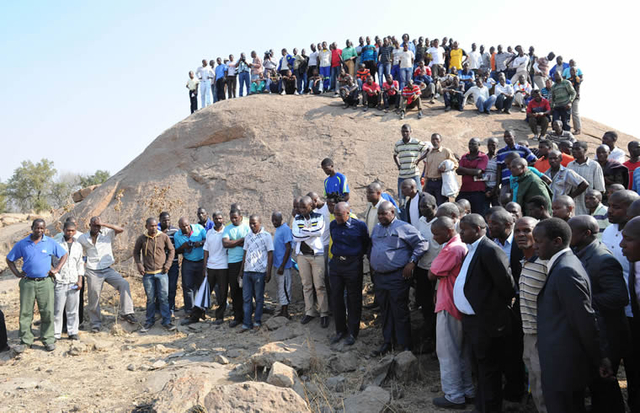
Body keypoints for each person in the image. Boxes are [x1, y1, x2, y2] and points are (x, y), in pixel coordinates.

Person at [533, 218, 612, 413]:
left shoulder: (566, 270)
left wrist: (599, 358)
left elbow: (584, 319)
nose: (534, 245)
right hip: (560, 362)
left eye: (538, 241)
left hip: (564, 366)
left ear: (557, 241)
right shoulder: (563, 264)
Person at [453, 214, 515, 412]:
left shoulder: (490, 250)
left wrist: (491, 311)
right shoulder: (471, 249)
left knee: (489, 370)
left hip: (486, 322)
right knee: (479, 368)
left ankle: (489, 408)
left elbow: (506, 286)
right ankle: (481, 405)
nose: (460, 233)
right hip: (472, 321)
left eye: (464, 229)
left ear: (478, 229)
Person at [568, 215, 628, 413]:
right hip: (595, 331)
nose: (568, 235)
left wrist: (584, 302)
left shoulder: (603, 259)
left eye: (572, 232)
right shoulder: (581, 252)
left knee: (605, 385)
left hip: (608, 335)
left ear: (586, 234)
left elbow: (619, 297)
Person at [369, 201, 428, 356]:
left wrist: (412, 262)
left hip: (397, 276)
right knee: (385, 310)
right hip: (380, 277)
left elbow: (422, 244)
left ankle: (405, 346)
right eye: (379, 214)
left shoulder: (404, 227)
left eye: (384, 213)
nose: (381, 216)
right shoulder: (376, 228)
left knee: (399, 310)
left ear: (393, 213)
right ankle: (388, 343)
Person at [429, 217, 475, 409]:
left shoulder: (452, 248)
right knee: (462, 351)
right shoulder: (461, 246)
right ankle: (467, 390)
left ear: (448, 231)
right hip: (458, 304)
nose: (433, 237)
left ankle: (454, 395)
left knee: (447, 352)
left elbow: (432, 273)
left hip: (449, 304)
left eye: (437, 233)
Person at [6, 219, 67, 351]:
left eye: (42, 228)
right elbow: (9, 259)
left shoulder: (50, 242)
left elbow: (64, 255)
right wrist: (17, 273)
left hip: (45, 282)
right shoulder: (23, 244)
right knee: (25, 312)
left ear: (44, 229)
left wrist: (56, 269)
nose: (39, 230)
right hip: (27, 282)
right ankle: (25, 340)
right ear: (32, 227)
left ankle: (48, 339)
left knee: (47, 311)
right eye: (37, 228)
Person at [77, 217, 136, 333]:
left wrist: (103, 223)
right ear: (90, 225)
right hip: (92, 270)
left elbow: (121, 229)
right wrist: (82, 262)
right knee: (93, 295)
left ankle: (127, 313)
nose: (96, 228)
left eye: (98, 226)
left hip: (107, 269)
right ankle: (95, 323)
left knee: (124, 284)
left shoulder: (107, 233)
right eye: (94, 225)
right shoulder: (83, 238)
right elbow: (76, 248)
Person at [514, 216, 548, 413]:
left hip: (543, 336)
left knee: (544, 387)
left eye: (526, 230)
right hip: (529, 334)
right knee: (535, 383)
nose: (521, 235)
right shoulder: (524, 261)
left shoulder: (546, 263)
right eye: (517, 231)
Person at [329, 202, 369, 345]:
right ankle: (340, 330)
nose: (337, 217)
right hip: (336, 265)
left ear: (348, 212)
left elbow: (365, 243)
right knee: (336, 298)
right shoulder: (333, 225)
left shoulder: (359, 226)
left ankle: (352, 332)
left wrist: (356, 258)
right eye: (335, 214)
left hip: (353, 265)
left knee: (353, 298)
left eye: (340, 214)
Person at [183, 211, 228, 325]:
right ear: (212, 219)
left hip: (223, 267)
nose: (218, 221)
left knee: (222, 294)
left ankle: (219, 317)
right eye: (216, 219)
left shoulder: (227, 232)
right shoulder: (209, 233)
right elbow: (206, 250)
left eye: (220, 218)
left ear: (223, 219)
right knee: (204, 292)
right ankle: (195, 316)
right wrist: (204, 267)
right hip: (211, 267)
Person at [133, 218, 176, 332]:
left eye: (155, 226)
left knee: (163, 298)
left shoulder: (163, 237)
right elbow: (136, 252)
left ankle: (167, 321)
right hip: (148, 274)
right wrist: (139, 265)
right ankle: (149, 321)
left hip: (161, 273)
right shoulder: (142, 238)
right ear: (146, 226)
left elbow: (172, 250)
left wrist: (167, 265)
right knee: (150, 299)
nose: (154, 228)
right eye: (151, 226)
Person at [293, 196, 329, 327]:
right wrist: (311, 232)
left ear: (311, 206)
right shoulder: (296, 219)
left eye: (304, 207)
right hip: (302, 255)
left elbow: (319, 232)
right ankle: (309, 312)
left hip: (317, 255)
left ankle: (324, 312)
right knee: (306, 285)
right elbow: (296, 236)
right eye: (300, 207)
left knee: (319, 285)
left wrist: (304, 231)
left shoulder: (319, 217)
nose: (301, 210)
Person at [238, 215, 273, 331]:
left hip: (259, 272)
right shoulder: (248, 236)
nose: (252, 226)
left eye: (254, 223)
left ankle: (257, 321)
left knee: (258, 298)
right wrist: (241, 271)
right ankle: (246, 323)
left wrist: (269, 271)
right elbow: (245, 253)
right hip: (247, 272)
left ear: (260, 222)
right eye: (251, 224)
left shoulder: (266, 236)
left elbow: (270, 254)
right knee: (246, 298)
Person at [50, 220, 83, 341]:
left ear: (75, 231)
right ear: (63, 230)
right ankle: (56, 333)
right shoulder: (56, 243)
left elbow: (80, 264)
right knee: (58, 309)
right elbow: (48, 259)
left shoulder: (78, 245)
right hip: (60, 280)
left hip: (73, 281)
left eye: (72, 230)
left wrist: (80, 280)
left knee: (73, 309)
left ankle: (73, 332)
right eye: (68, 230)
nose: (70, 232)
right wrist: (53, 271)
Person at [172, 217, 206, 320]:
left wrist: (199, 243)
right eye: (183, 227)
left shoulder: (199, 228)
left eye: (187, 225)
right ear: (179, 227)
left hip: (201, 261)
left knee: (202, 286)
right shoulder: (177, 235)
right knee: (187, 287)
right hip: (188, 262)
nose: (186, 228)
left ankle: (202, 309)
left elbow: (208, 240)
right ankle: (189, 310)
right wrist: (184, 247)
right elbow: (177, 251)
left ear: (189, 224)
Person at [221, 208, 250, 328]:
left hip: (245, 262)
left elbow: (248, 245)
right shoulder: (227, 228)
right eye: (232, 218)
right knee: (234, 291)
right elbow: (225, 244)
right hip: (232, 263)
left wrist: (234, 242)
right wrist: (241, 240)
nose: (233, 220)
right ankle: (237, 317)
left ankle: (247, 317)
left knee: (245, 291)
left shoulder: (247, 228)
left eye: (236, 217)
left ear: (241, 217)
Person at [393, 124, 431, 203]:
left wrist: (419, 159)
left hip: (414, 174)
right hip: (402, 175)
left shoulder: (416, 142)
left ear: (410, 132)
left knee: (420, 197)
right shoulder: (398, 144)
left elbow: (428, 149)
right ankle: (404, 215)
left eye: (407, 131)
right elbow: (395, 155)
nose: (405, 133)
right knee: (402, 200)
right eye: (403, 131)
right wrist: (398, 165)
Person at [567, 141, 606, 215]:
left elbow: (599, 189)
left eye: (577, 149)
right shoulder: (570, 165)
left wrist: (594, 208)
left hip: (587, 206)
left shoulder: (594, 165)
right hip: (572, 204)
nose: (574, 151)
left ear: (585, 150)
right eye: (573, 149)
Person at [423, 133, 458, 206]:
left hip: (441, 182)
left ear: (440, 140)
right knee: (429, 205)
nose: (434, 141)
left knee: (442, 205)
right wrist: (425, 184)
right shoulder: (429, 153)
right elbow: (427, 169)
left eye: (437, 139)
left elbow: (455, 164)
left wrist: (446, 168)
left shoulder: (446, 151)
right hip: (430, 183)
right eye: (433, 139)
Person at [456, 138, 489, 214]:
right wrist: (472, 171)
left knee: (477, 213)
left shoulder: (483, 157)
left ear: (479, 145)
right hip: (464, 189)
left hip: (477, 191)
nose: (471, 146)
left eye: (473, 144)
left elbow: (478, 171)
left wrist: (463, 169)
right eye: (470, 144)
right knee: (460, 211)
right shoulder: (464, 156)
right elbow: (458, 171)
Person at [271, 212, 293, 319]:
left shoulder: (285, 229)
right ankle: (281, 311)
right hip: (277, 265)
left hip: (283, 267)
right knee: (280, 288)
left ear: (281, 219)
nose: (274, 222)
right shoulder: (278, 229)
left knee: (284, 288)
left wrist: (282, 266)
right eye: (273, 220)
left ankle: (285, 312)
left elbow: (288, 248)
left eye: (276, 220)